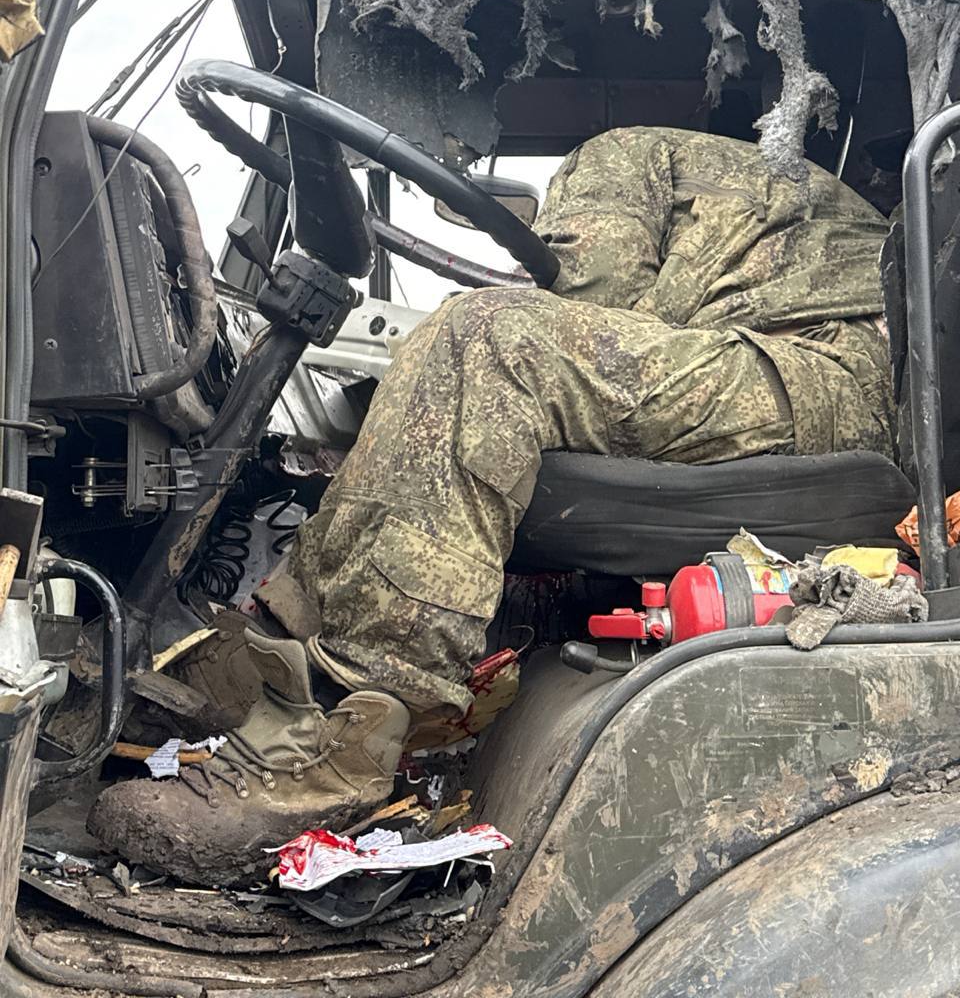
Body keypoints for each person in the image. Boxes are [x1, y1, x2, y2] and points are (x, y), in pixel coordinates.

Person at [89, 126, 895, 885]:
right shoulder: (712, 186)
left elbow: (601, 296)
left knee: (487, 339)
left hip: (821, 377)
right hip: (803, 370)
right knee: (457, 355)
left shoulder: (616, 156)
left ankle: (347, 728)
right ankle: (279, 653)